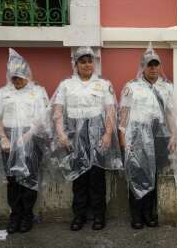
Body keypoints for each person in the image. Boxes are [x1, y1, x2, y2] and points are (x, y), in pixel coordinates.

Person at [51, 46, 122, 231]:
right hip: (75, 134)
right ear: (75, 64)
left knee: (97, 177)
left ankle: (99, 216)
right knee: (79, 176)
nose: (87, 65)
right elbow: (58, 112)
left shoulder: (104, 84)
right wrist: (61, 134)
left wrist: (107, 134)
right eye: (82, 61)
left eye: (90, 61)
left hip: (97, 132)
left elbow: (110, 111)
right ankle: (79, 216)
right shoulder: (66, 85)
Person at [118, 43, 177, 229]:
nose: (153, 68)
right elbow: (123, 113)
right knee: (137, 174)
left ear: (159, 66)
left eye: (156, 64)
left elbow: (170, 114)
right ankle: (136, 215)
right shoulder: (131, 87)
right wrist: (123, 137)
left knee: (154, 175)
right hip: (138, 136)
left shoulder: (166, 88)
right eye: (149, 65)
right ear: (143, 67)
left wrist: (173, 135)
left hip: (159, 136)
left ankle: (149, 214)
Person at [0, 49, 51, 233]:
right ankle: (15, 215)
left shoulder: (38, 91)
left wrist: (25, 138)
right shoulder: (3, 92)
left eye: (19, 77)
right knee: (12, 179)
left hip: (31, 138)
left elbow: (43, 118)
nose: (17, 81)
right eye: (13, 78)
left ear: (27, 75)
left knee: (29, 177)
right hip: (8, 138)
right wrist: (3, 137)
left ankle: (27, 215)